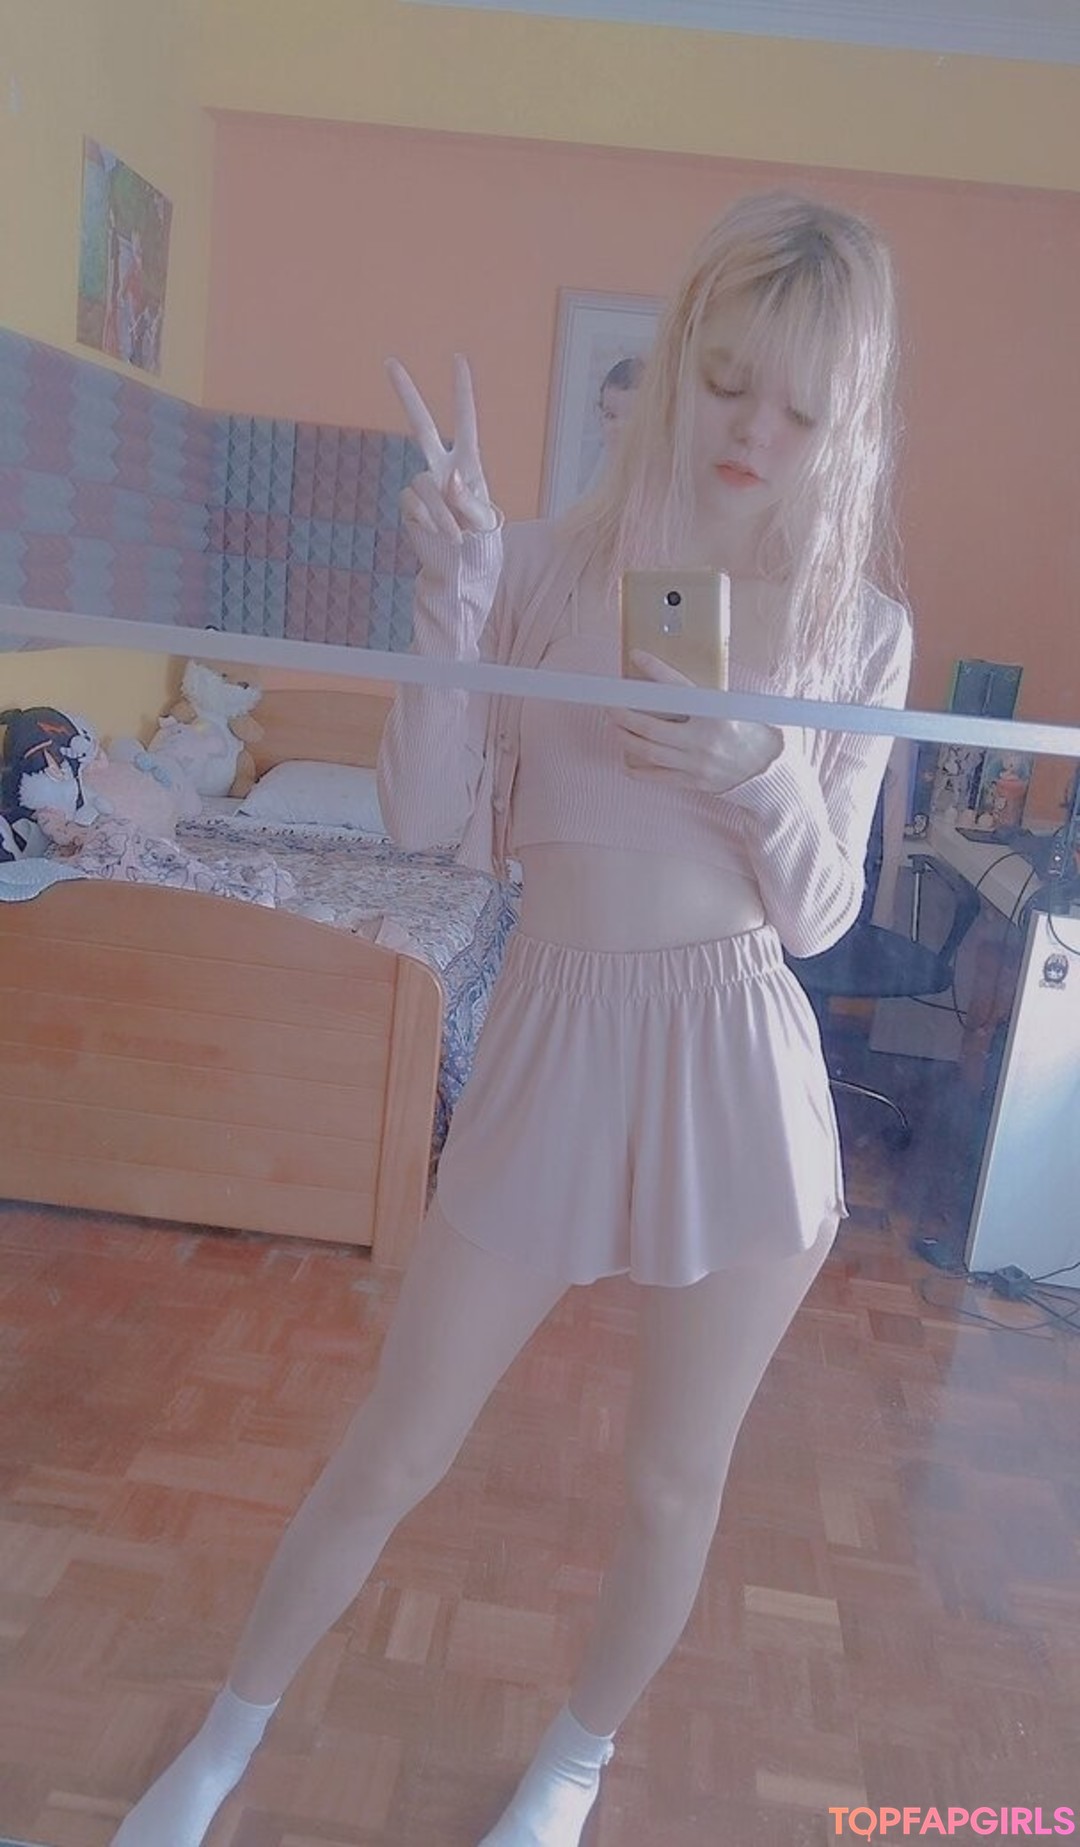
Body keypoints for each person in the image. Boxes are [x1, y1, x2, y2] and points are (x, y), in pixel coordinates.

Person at [110, 191, 912, 1847]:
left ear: (850, 426)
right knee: (397, 1441)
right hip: (552, 1033)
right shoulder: (542, 569)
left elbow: (824, 915)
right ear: (675, 361)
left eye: (801, 409)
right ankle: (226, 1740)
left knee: (672, 1482)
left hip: (735, 1063)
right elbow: (420, 824)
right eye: (727, 380)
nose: (753, 433)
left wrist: (761, 769)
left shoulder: (859, 627)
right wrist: (451, 606)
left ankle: (574, 1764)